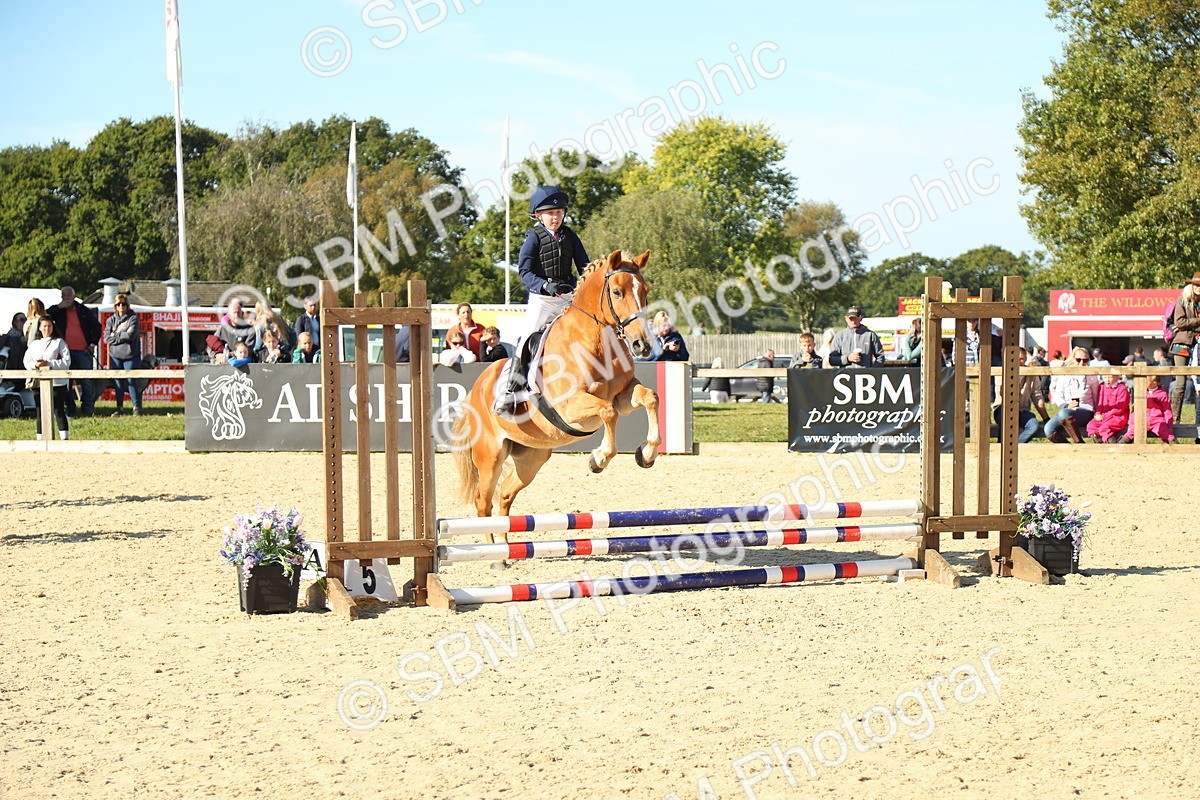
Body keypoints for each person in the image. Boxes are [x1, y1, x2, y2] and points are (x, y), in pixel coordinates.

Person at [494, 186, 590, 415]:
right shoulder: (533, 238)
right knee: (528, 337)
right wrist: (544, 285)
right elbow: (524, 272)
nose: (555, 217)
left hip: (568, 297)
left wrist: (583, 287)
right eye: (550, 213)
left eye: (559, 212)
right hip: (542, 299)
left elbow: (584, 266)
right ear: (539, 215)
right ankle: (510, 390)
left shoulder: (570, 236)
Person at [47, 286, 101, 417]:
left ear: (74, 296)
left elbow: (97, 327)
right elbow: (45, 317)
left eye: (69, 296)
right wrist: (59, 307)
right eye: (64, 296)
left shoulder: (83, 310)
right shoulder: (58, 311)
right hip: (65, 352)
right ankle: (70, 408)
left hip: (83, 351)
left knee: (86, 382)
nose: (66, 298)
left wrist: (92, 344)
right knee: (66, 383)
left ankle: (87, 410)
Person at [23, 315, 70, 440]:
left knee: (58, 410)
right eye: (44, 326)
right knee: (40, 411)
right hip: (38, 382)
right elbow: (26, 361)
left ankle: (64, 438)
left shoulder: (59, 342)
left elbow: (67, 362)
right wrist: (35, 365)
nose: (47, 328)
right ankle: (40, 438)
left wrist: (49, 364)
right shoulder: (34, 344)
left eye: (49, 325)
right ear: (39, 328)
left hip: (57, 383)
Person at [1044, 347, 1097, 443]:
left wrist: (1097, 413)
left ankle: (1079, 443)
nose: (1081, 363)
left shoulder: (1092, 376)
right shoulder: (1065, 374)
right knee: (1048, 429)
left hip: (1086, 410)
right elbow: (1058, 395)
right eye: (1078, 360)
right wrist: (1066, 405)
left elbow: (1096, 397)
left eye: (1085, 360)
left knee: (1063, 413)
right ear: (1073, 359)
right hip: (1066, 410)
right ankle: (1069, 449)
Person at [104, 293, 142, 416]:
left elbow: (130, 336)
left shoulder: (133, 318)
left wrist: (114, 335)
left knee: (131, 381)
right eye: (118, 304)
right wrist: (119, 336)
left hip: (131, 356)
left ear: (127, 305)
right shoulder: (110, 320)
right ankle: (119, 408)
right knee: (118, 383)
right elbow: (106, 338)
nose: (121, 306)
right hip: (115, 356)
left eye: (123, 304)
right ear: (115, 306)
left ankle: (136, 408)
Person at [1169, 275, 1200, 422]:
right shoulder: (1182, 300)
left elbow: (1182, 324)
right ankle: (1175, 419)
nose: (1198, 288)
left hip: (1197, 344)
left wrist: (1192, 323)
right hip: (1182, 344)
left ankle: (1198, 421)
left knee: (1198, 385)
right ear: (1191, 286)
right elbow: (1179, 322)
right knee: (1180, 383)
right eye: (1196, 285)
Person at [1086, 372, 1131, 444]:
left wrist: (1104, 416)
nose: (1107, 380)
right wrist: (1098, 413)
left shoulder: (1122, 389)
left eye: (1110, 377)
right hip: (1104, 416)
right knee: (1091, 426)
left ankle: (1112, 446)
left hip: (1118, 417)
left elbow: (1119, 409)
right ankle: (1100, 446)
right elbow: (1100, 403)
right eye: (1105, 377)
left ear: (1117, 377)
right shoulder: (1102, 386)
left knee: (1104, 428)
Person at [1145, 375, 1175, 444]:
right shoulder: (1142, 394)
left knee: (1165, 433)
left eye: (1146, 382)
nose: (1144, 384)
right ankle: (1123, 442)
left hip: (1157, 421)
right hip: (1143, 420)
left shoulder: (1163, 395)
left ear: (1155, 382)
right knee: (1131, 432)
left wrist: (1169, 425)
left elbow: (1167, 411)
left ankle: (1174, 444)